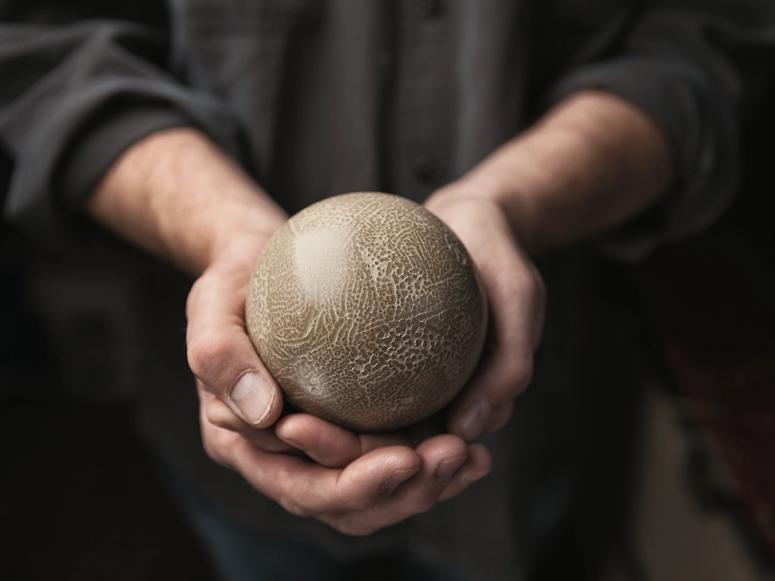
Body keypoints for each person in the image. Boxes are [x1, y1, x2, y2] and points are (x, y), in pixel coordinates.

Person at [1, 1, 774, 580]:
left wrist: (510, 202)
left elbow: (702, 42)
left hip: (525, 427)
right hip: (244, 467)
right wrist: (225, 231)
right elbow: (43, 47)